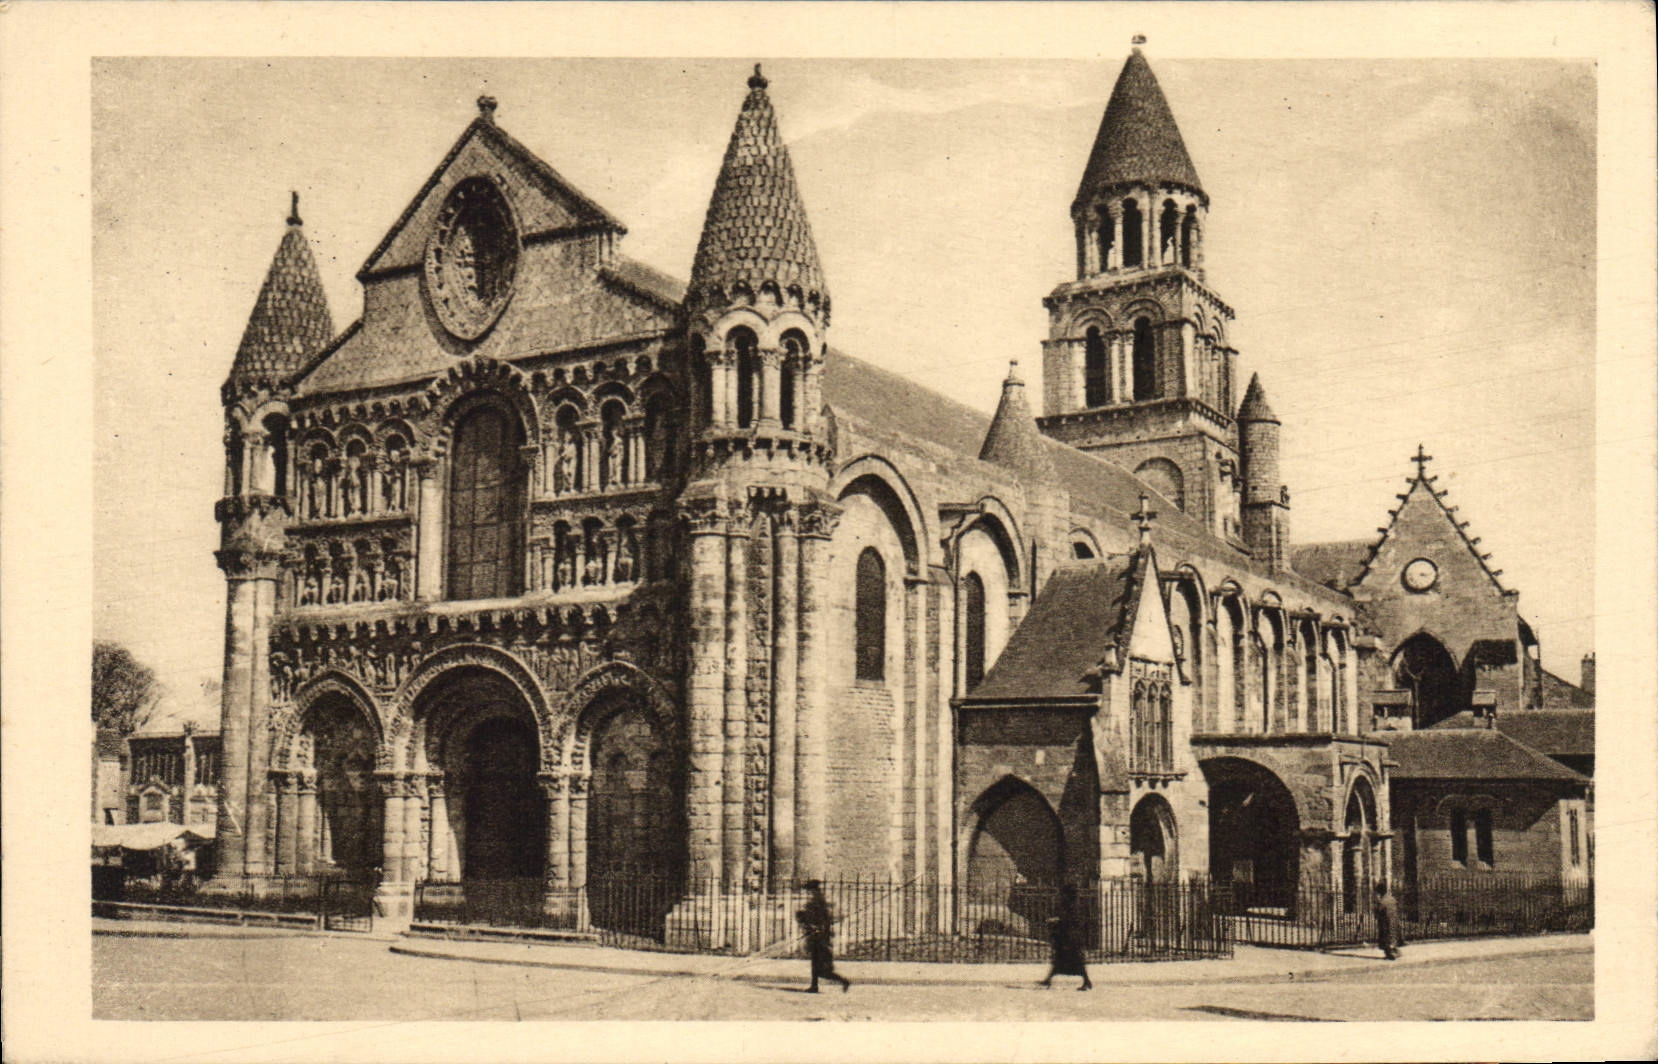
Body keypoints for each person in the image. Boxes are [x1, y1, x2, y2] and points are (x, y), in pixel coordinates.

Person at [797, 880, 851, 993]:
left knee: (822, 969)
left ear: (814, 891)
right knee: (815, 963)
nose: (808, 893)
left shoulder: (818, 902)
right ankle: (814, 986)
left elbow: (824, 920)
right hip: (816, 937)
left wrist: (810, 923)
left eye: (809, 891)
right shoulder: (816, 901)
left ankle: (843, 981)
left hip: (820, 939)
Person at [1040, 883, 1093, 991]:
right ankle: (1048, 979)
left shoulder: (1073, 905)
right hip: (1069, 936)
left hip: (1071, 938)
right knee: (1060, 960)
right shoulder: (1072, 903)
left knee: (1075, 960)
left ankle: (1087, 981)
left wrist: (1056, 920)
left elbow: (1069, 919)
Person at [1373, 880, 1404, 960]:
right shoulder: (1392, 899)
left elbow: (1377, 913)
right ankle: (1395, 952)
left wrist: (1376, 905)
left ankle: (1392, 954)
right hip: (1394, 922)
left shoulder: (1382, 902)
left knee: (1386, 938)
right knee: (1393, 937)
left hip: (1385, 923)